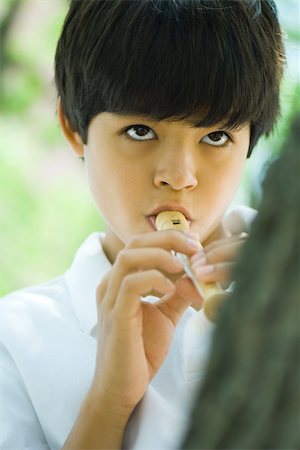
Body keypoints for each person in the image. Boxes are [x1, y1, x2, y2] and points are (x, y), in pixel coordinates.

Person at [0, 1, 284, 449]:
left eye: (215, 137)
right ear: (74, 128)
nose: (179, 175)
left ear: (251, 140)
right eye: (140, 131)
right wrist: (109, 402)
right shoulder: (16, 338)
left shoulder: (286, 284)